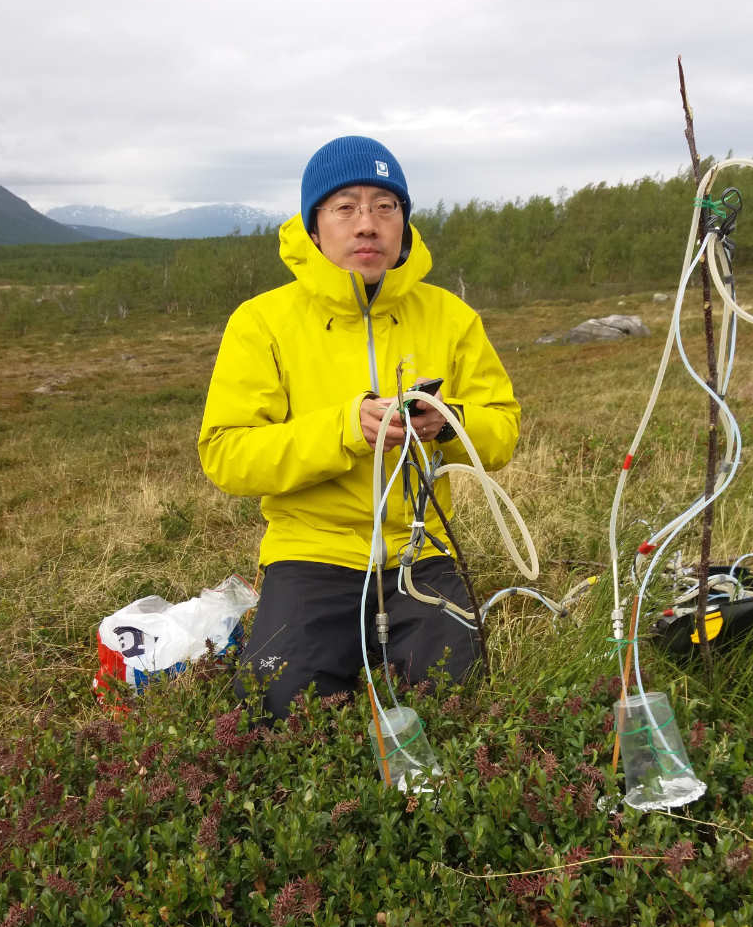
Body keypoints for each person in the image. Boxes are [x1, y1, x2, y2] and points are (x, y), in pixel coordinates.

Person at [198, 135, 520, 721]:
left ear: (404, 224)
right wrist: (347, 429)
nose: (367, 224)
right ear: (314, 228)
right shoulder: (261, 323)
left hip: (422, 550)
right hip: (310, 552)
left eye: (385, 206)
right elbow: (227, 456)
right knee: (281, 710)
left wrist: (447, 424)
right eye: (345, 207)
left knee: (452, 698)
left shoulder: (451, 316)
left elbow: (501, 430)